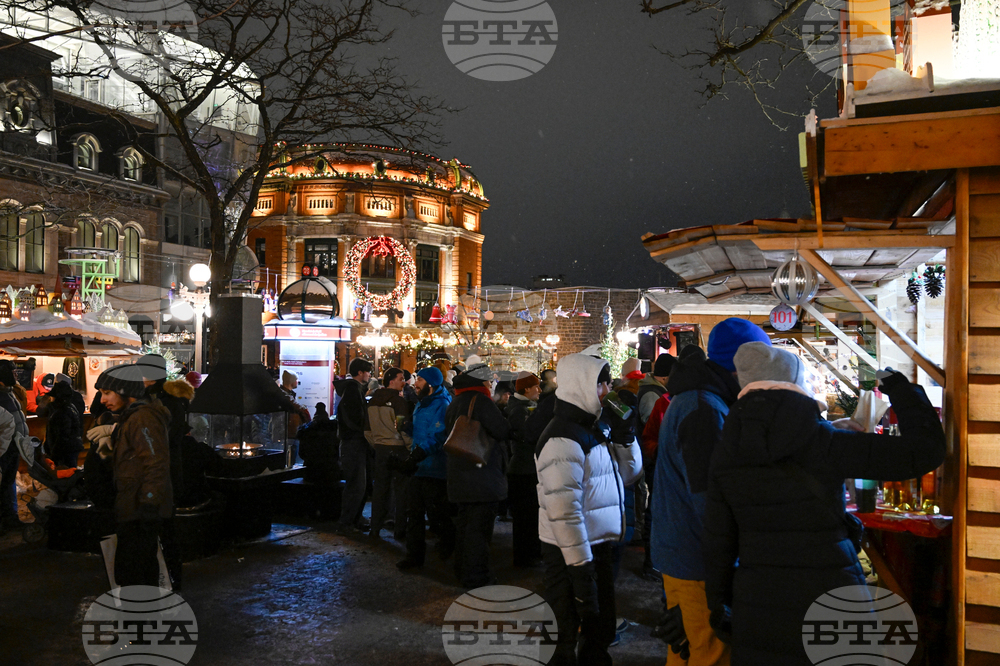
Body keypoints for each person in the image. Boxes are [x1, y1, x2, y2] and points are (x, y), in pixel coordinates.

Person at [704, 343, 946, 664]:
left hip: (758, 603)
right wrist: (902, 390)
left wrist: (719, 605)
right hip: (832, 595)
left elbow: (718, 541)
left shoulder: (726, 450)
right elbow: (923, 451)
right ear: (796, 385)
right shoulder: (826, 443)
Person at [651, 317, 772, 666]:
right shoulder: (704, 409)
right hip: (697, 563)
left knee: (688, 650)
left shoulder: (703, 400)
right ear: (740, 364)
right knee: (710, 655)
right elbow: (709, 500)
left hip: (687, 555)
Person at [535, 354, 643, 666]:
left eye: (609, 381)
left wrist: (625, 436)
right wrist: (581, 571)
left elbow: (628, 476)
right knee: (564, 628)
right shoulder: (562, 438)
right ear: (582, 385)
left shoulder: (595, 428)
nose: (608, 389)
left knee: (599, 628)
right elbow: (564, 512)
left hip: (598, 545)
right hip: (570, 552)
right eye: (602, 382)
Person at [99, 363, 172, 588]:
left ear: (126, 392)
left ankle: (142, 621)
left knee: (136, 573)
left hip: (141, 511)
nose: (102, 400)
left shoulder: (142, 418)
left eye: (107, 393)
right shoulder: (131, 417)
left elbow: (155, 463)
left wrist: (149, 502)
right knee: (132, 572)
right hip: (134, 508)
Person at [444, 363, 510, 588]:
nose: (492, 384)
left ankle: (461, 570)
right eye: (489, 380)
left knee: (465, 525)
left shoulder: (457, 400)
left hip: (459, 472)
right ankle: (476, 576)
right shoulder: (481, 401)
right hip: (481, 475)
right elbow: (501, 431)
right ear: (482, 381)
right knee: (479, 530)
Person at [396, 366, 454, 571]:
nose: (415, 384)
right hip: (419, 466)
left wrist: (419, 454)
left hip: (435, 468)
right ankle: (414, 555)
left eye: (419, 380)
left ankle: (449, 546)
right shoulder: (422, 403)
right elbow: (422, 432)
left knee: (438, 514)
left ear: (431, 383)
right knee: (414, 513)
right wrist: (408, 428)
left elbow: (438, 436)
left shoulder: (442, 404)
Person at [636, 353, 676, 579]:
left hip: (658, 459)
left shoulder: (660, 395)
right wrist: (660, 451)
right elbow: (651, 430)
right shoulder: (655, 396)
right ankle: (651, 563)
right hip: (657, 462)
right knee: (655, 510)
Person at [366, 367, 412, 540]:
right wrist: (410, 447)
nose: (404, 382)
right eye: (401, 378)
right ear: (391, 381)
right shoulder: (399, 402)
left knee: (380, 489)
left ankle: (375, 528)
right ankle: (400, 528)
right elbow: (403, 429)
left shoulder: (372, 401)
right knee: (401, 490)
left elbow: (367, 430)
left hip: (380, 449)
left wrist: (377, 443)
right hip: (398, 449)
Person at [506, 372, 542, 567]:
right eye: (536, 387)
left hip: (525, 467)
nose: (539, 390)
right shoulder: (520, 410)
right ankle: (524, 557)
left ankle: (529, 552)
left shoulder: (520, 406)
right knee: (524, 516)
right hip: (524, 469)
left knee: (528, 515)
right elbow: (526, 436)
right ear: (526, 389)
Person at [335, 358, 372, 534]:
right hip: (354, 442)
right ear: (360, 373)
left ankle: (352, 519)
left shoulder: (353, 389)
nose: (370, 375)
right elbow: (354, 418)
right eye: (368, 372)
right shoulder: (353, 390)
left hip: (353, 441)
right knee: (356, 484)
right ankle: (347, 522)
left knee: (358, 484)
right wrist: (363, 431)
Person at [297, 403, 341, 519]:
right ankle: (328, 514)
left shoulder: (306, 431)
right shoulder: (334, 431)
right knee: (328, 492)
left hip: (311, 470)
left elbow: (302, 454)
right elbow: (338, 453)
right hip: (330, 470)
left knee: (312, 492)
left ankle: (312, 513)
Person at [0, 360, 27, 532]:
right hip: (4, 449)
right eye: (13, 371)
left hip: (13, 447)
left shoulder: (10, 392)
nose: (16, 375)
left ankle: (10, 518)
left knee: (8, 484)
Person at [43, 381, 84, 468]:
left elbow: (62, 436)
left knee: (65, 474)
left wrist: (54, 454)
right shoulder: (70, 407)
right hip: (71, 449)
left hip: (64, 452)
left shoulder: (62, 412)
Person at [279, 371, 310, 461]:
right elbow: (300, 409)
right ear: (291, 381)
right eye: (296, 380)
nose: (298, 382)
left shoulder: (287, 395)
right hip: (288, 434)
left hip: (288, 433)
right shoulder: (285, 396)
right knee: (289, 460)